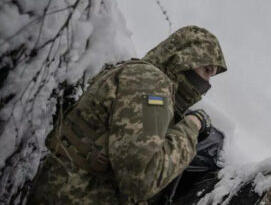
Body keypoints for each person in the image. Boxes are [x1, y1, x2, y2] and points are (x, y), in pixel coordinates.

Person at [29, 26, 227, 204]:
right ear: (185, 58)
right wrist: (191, 126)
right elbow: (142, 178)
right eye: (206, 70)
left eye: (212, 75)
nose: (207, 83)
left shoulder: (141, 77)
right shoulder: (150, 83)